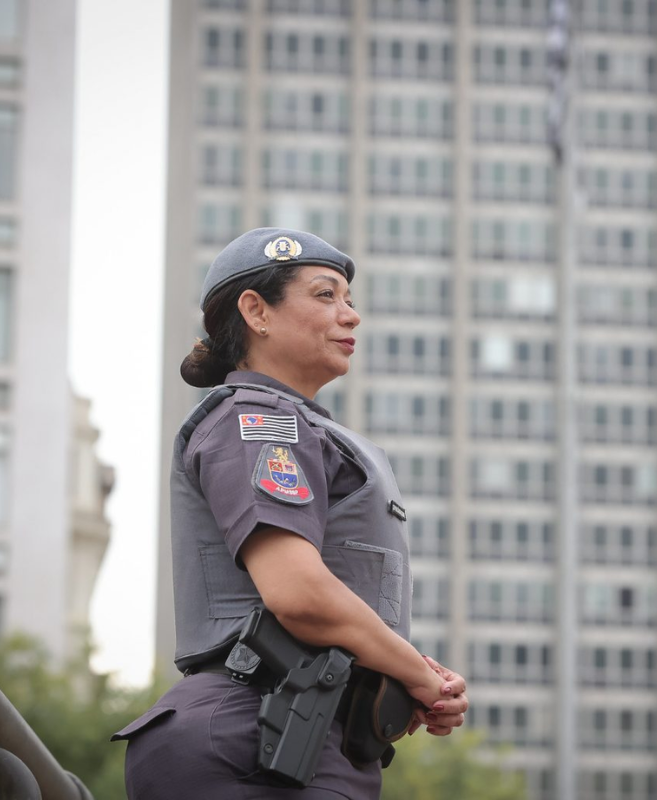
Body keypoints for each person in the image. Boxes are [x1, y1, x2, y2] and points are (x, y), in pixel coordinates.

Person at [113, 228, 469, 799]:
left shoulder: (301, 427)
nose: (350, 316)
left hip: (299, 738)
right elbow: (298, 594)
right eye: (326, 295)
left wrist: (403, 674)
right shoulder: (259, 420)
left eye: (349, 300)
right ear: (255, 311)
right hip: (254, 739)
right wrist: (418, 675)